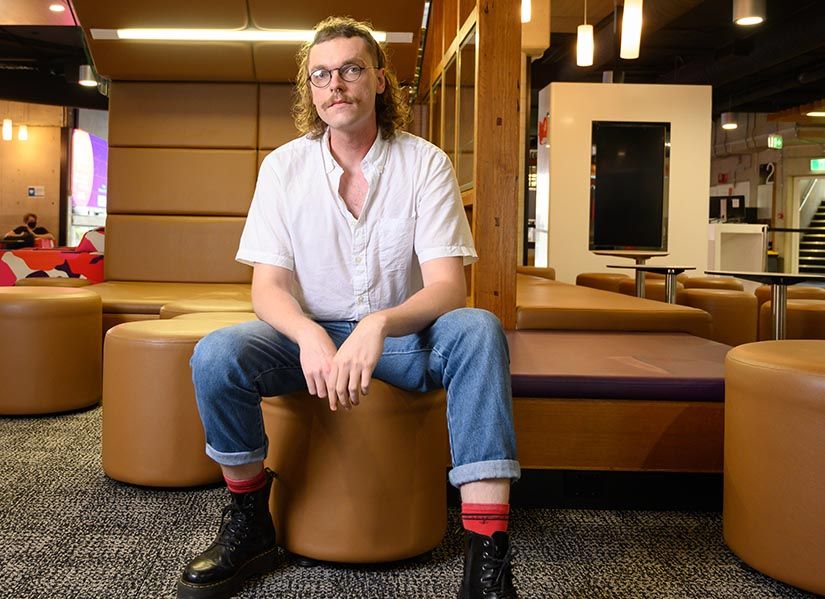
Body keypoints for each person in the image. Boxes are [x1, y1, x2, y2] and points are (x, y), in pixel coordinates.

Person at [177, 16, 520, 599]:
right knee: (216, 355)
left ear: (380, 81)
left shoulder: (425, 163)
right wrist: (311, 335)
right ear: (310, 91)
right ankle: (249, 519)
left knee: (479, 329)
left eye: (352, 69)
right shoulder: (283, 168)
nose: (336, 84)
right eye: (321, 75)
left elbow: (445, 289)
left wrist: (378, 323)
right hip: (307, 340)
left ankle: (486, 555)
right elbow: (269, 288)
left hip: (404, 338)